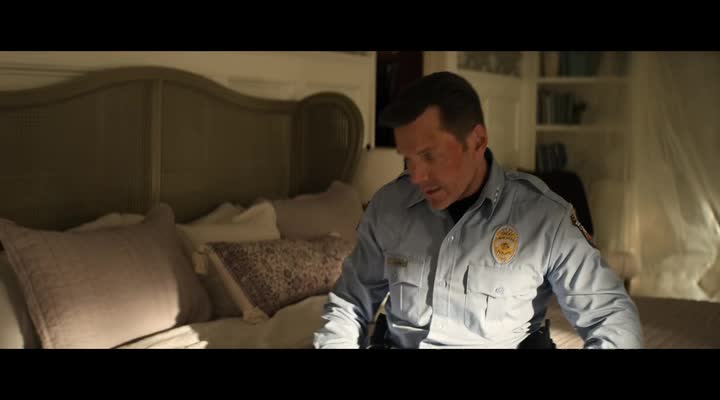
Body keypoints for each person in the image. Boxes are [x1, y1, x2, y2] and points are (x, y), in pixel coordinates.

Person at [313, 71, 643, 349]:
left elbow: (611, 317)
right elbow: (350, 305)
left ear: (477, 141)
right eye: (408, 159)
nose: (416, 176)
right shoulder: (389, 207)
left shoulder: (544, 216)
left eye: (429, 156)